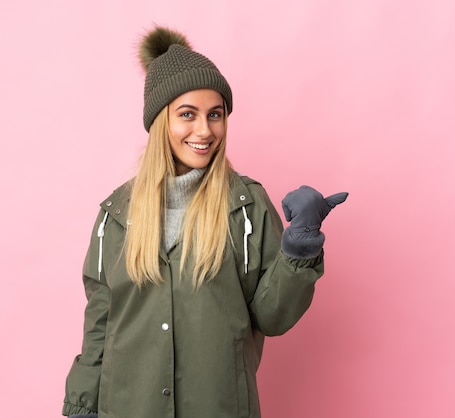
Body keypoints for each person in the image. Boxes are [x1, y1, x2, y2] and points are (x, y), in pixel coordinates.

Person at [62, 26, 348, 418]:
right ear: (161, 121)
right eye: (187, 115)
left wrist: (299, 249)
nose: (205, 130)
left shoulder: (245, 207)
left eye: (215, 115)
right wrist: (82, 406)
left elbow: (271, 317)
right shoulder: (117, 215)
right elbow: (100, 322)